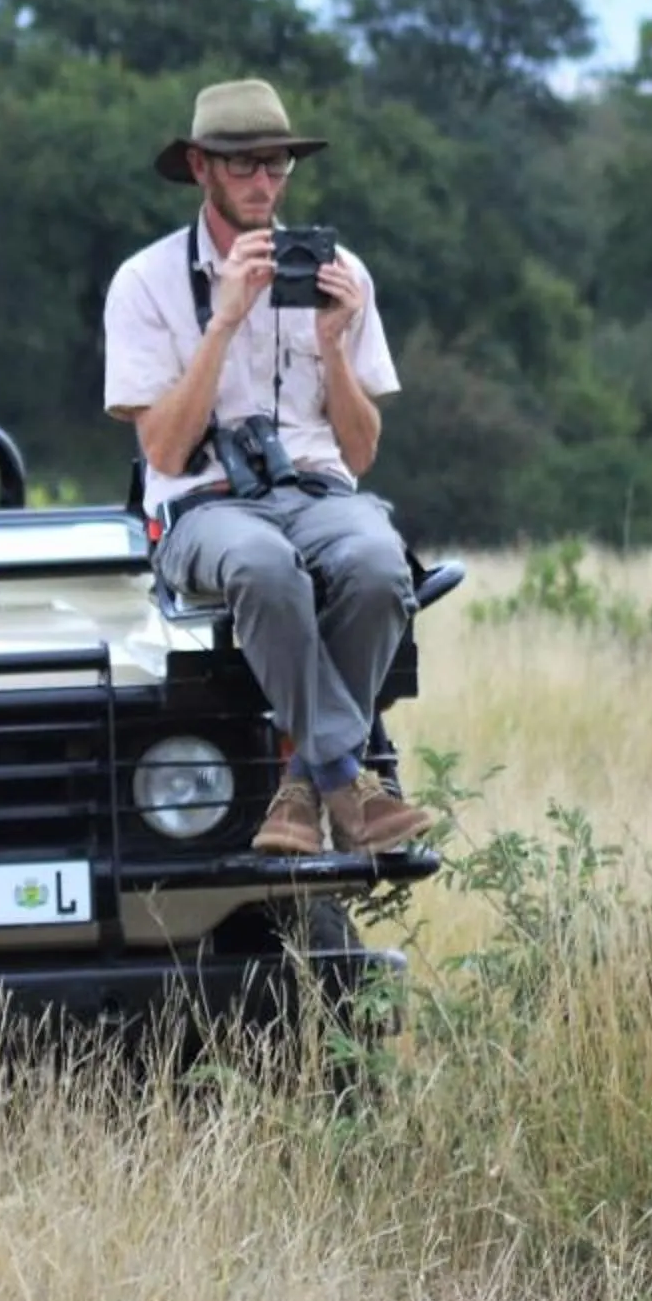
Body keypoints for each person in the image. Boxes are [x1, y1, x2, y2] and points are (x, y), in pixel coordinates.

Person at [101, 77, 429, 857]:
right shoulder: (144, 281)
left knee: (383, 565)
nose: (263, 183)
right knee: (264, 565)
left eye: (277, 165)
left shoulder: (336, 268)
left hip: (319, 490)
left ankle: (301, 791)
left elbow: (359, 452)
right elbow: (164, 452)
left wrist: (331, 341)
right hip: (205, 504)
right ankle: (351, 775)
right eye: (243, 165)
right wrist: (223, 323)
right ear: (200, 166)